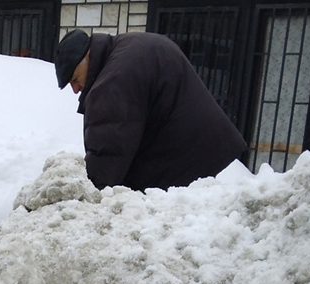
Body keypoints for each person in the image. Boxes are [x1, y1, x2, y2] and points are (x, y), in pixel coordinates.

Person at [54, 29, 247, 191]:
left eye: (74, 79)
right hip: (200, 145)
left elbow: (109, 152)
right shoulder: (127, 46)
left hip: (184, 156)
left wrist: (87, 196)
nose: (75, 89)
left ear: (87, 57)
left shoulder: (112, 81)